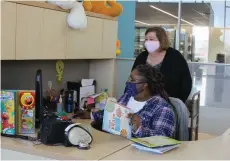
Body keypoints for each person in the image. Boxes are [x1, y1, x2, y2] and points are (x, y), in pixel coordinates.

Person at [92, 65, 176, 138]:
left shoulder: (162, 108)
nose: (127, 82)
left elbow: (163, 138)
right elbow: (111, 117)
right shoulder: (126, 97)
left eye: (132, 80)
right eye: (129, 78)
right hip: (116, 146)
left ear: (144, 85)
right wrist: (92, 113)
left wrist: (139, 128)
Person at [132, 27, 192, 102]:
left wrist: (178, 102)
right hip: (142, 101)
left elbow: (186, 82)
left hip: (169, 102)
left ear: (161, 40)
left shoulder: (175, 56)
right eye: (146, 39)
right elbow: (132, 79)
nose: (148, 42)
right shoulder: (142, 56)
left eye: (151, 39)